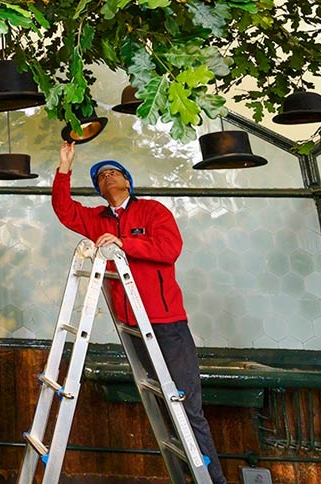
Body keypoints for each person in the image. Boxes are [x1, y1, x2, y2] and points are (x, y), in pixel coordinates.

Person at [52, 140, 226, 484]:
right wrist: (64, 167)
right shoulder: (96, 219)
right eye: (100, 177)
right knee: (164, 407)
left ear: (128, 182)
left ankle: (214, 480)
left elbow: (168, 249)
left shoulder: (152, 211)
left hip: (167, 324)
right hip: (133, 327)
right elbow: (63, 209)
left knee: (187, 409)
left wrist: (123, 243)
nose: (107, 178)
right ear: (99, 189)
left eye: (114, 173)